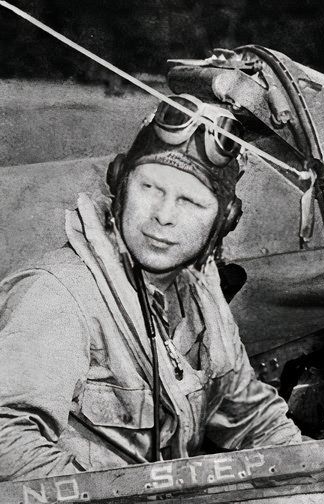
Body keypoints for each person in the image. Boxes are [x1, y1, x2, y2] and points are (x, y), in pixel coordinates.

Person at [0, 93, 301, 481]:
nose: (163, 216)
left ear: (223, 221)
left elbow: (254, 417)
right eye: (150, 188)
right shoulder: (57, 295)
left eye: (191, 202)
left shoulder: (200, 296)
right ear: (120, 185)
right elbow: (6, 443)